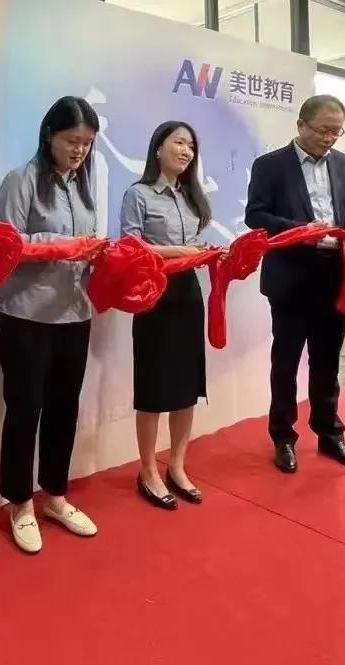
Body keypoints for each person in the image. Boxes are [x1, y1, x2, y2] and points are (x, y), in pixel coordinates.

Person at [0, 96, 106, 554]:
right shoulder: (20, 180)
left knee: (64, 407)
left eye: (87, 143)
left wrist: (99, 254)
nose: (80, 150)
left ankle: (55, 495)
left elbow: (88, 245)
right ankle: (19, 503)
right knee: (25, 409)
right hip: (26, 315)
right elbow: (6, 245)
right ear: (49, 136)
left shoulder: (84, 185)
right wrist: (68, 244)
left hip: (75, 313)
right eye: (72, 140)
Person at [245, 94, 345, 474]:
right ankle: (283, 436)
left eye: (336, 131)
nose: (329, 138)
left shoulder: (344, 164)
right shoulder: (270, 165)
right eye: (322, 130)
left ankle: (329, 433)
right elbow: (255, 215)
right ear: (301, 125)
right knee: (285, 362)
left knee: (327, 361)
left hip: (334, 274)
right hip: (291, 276)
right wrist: (300, 231)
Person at [120, 121, 212, 510]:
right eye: (179, 142)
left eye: (191, 145)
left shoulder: (191, 197)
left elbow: (194, 245)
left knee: (186, 386)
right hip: (153, 294)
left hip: (188, 294)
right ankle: (147, 470)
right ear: (158, 148)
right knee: (153, 386)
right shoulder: (138, 194)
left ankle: (177, 466)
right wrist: (180, 252)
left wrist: (207, 252)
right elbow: (130, 246)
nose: (186, 151)